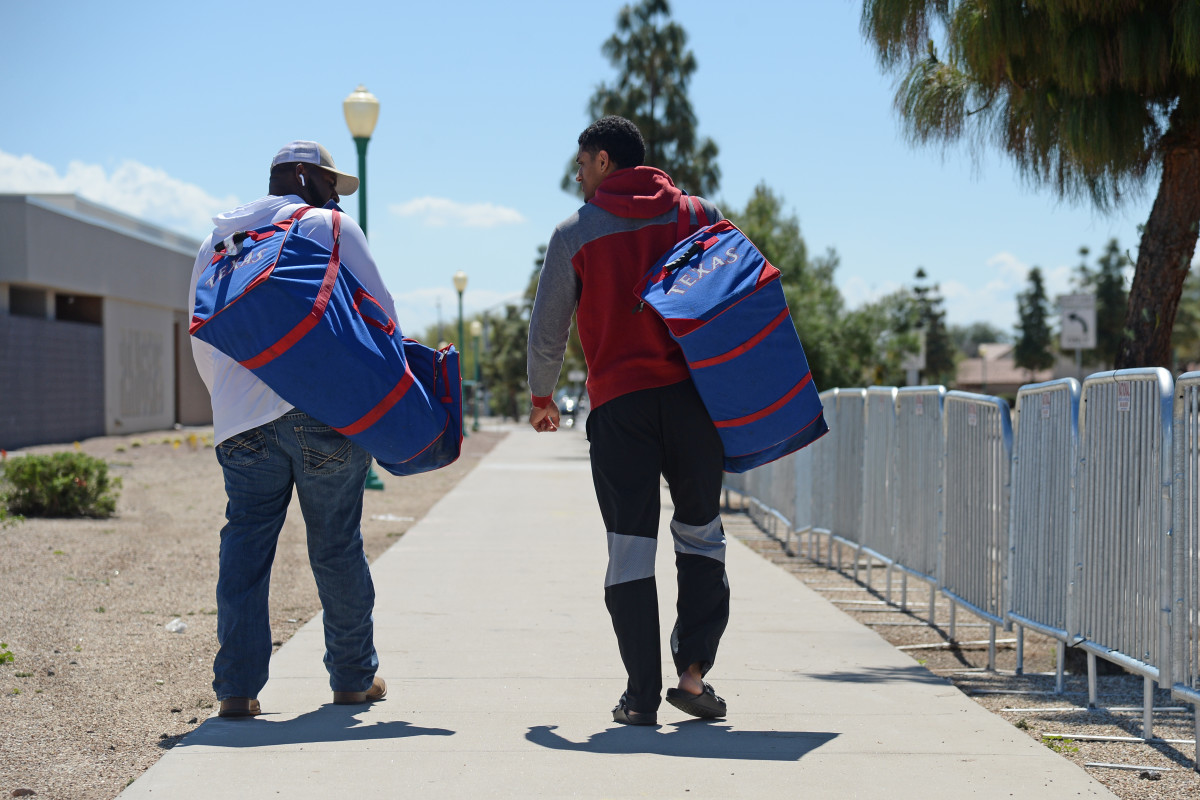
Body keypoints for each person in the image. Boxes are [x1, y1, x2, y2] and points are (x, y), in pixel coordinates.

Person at [527, 116, 729, 725]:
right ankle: (692, 676)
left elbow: (549, 326)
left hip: (620, 409)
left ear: (605, 161)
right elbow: (736, 297)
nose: (578, 176)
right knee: (701, 534)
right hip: (694, 403)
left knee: (630, 549)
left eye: (582, 164)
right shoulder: (699, 215)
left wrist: (542, 395)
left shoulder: (575, 232)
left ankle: (641, 696)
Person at [188, 141, 389, 718]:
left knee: (246, 546)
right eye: (328, 182)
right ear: (302, 175)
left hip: (241, 423)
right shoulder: (331, 228)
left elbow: (201, 332)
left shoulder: (219, 240)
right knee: (336, 545)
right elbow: (383, 317)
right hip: (324, 414)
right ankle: (352, 679)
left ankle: (237, 689)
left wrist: (232, 404)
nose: (334, 196)